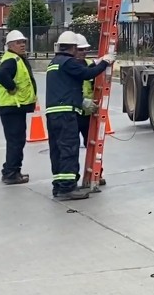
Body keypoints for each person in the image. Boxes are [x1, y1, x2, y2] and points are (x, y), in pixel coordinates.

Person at [44, 31, 114, 201]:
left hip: (53, 113)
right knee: (69, 149)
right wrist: (105, 62)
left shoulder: (55, 62)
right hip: (65, 113)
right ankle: (68, 188)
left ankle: (59, 186)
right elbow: (86, 74)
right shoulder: (69, 62)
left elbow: (74, 76)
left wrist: (96, 63)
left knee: (57, 150)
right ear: (73, 48)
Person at [0, 29, 36, 185]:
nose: (22, 45)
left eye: (24, 42)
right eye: (19, 42)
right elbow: (0, 75)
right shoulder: (11, 60)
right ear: (10, 45)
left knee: (17, 141)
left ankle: (12, 170)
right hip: (12, 107)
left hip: (15, 107)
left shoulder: (16, 58)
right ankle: (11, 173)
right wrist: (11, 87)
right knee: (15, 142)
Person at [74, 35, 106, 187]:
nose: (84, 52)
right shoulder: (70, 66)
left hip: (88, 114)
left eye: (85, 49)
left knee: (93, 147)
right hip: (74, 113)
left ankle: (97, 174)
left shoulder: (89, 64)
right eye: (80, 50)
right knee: (72, 148)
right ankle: (72, 178)